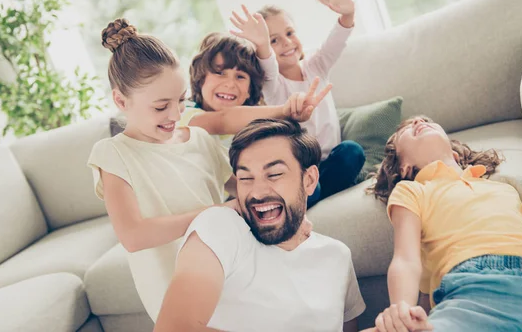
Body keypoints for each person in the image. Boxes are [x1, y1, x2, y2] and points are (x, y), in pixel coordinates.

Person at [87, 19, 328, 322]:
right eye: (161, 107)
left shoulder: (198, 139)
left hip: (229, 274)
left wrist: (293, 216)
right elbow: (133, 236)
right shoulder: (113, 154)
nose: (176, 115)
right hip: (175, 294)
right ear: (121, 100)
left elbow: (247, 191)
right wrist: (218, 213)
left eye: (181, 101)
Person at [155, 119, 366, 332]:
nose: (257, 192)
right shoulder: (219, 227)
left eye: (274, 174)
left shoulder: (337, 255)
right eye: (245, 178)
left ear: (309, 180)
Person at [368, 115, 522, 332]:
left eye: (426, 120)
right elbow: (406, 260)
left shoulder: (503, 188)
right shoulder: (412, 190)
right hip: (474, 287)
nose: (418, 120)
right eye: (407, 130)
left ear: (455, 154)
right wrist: (403, 312)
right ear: (404, 168)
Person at [229, 0, 365, 207]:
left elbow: (336, 43)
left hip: (331, 159)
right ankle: (311, 196)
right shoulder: (272, 84)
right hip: (300, 168)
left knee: (353, 152)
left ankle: (318, 195)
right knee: (312, 186)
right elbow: (268, 64)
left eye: (290, 33)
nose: (287, 42)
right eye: (274, 40)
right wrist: (262, 44)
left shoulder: (317, 66)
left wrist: (348, 15)